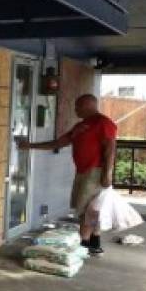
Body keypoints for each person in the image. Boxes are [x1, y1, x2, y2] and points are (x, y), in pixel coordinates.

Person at [19, 94, 117, 255]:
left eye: (78, 106)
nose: (75, 109)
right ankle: (94, 243)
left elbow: (110, 148)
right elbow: (59, 143)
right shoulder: (81, 126)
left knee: (89, 210)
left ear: (88, 105)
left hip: (95, 171)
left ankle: (84, 245)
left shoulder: (103, 123)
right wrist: (30, 146)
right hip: (82, 171)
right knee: (90, 209)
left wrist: (107, 173)